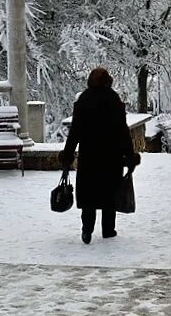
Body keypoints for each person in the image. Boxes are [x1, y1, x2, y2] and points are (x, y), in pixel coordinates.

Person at [59, 67, 140, 244]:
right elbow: (122, 131)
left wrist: (68, 154)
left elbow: (75, 132)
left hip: (89, 156)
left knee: (89, 195)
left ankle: (87, 230)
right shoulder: (113, 99)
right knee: (109, 194)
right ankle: (108, 230)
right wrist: (129, 154)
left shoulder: (84, 100)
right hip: (112, 156)